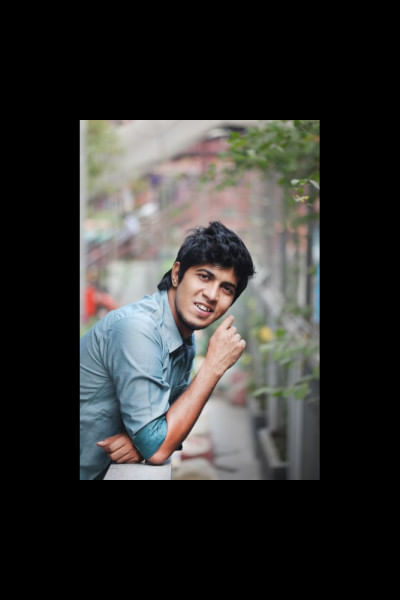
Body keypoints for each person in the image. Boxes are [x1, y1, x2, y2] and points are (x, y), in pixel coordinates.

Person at [80, 221, 255, 479]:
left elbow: (168, 429)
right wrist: (213, 367)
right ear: (176, 274)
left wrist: (144, 441)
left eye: (226, 288)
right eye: (204, 276)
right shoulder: (138, 329)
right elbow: (159, 447)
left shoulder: (183, 339)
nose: (212, 294)